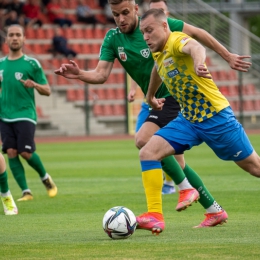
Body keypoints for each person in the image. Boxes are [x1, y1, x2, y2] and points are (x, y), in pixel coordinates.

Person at [54, 0, 251, 232]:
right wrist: (80, 74)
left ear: (136, 9)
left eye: (125, 13)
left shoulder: (155, 26)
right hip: (157, 102)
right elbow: (101, 74)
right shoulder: (113, 38)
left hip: (176, 97)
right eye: (116, 15)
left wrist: (226, 56)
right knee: (169, 158)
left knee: (144, 141)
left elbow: (197, 35)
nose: (121, 19)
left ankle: (179, 195)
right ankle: (211, 209)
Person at [139, 8, 257, 232]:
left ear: (165, 27)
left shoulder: (175, 40)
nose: (145, 37)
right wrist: (150, 96)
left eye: (149, 31)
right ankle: (155, 215)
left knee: (254, 168)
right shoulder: (158, 50)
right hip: (188, 119)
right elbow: (157, 68)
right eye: (143, 32)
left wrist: (198, 62)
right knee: (147, 151)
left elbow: (196, 46)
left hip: (216, 117)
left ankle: (210, 208)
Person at [0, 24, 58, 201]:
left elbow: (47, 90)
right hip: (4, 115)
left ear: (24, 39)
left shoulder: (32, 64)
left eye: (18, 35)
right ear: (7, 39)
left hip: (25, 114)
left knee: (25, 152)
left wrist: (35, 85)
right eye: (11, 35)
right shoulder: (1, 64)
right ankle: (26, 191)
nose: (15, 38)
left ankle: (45, 177)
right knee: (10, 151)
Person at [127, 0, 176, 195]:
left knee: (161, 147)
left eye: (160, 11)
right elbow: (141, 67)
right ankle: (181, 186)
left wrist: (227, 56)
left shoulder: (176, 35)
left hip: (171, 98)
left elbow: (197, 42)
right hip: (151, 100)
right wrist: (137, 91)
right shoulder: (146, 35)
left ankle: (177, 184)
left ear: (166, 16)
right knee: (143, 141)